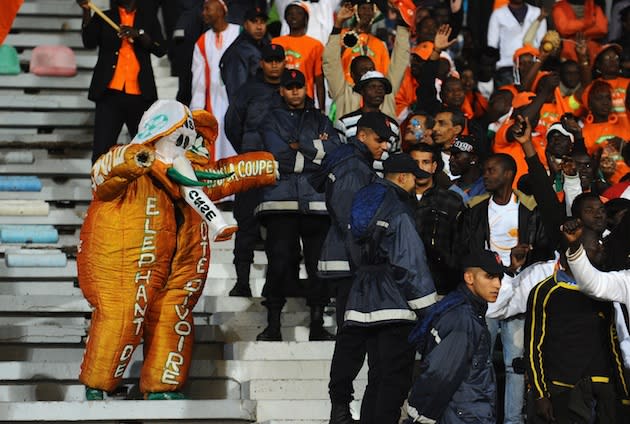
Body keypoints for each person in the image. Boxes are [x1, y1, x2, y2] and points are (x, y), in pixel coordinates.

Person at [311, 111, 397, 424]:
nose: (384, 146)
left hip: (352, 264)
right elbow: (353, 223)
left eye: (387, 141)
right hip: (351, 266)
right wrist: (365, 265)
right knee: (352, 340)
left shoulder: (353, 164)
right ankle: (340, 409)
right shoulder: (351, 168)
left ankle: (348, 408)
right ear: (361, 135)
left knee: (358, 339)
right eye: (379, 139)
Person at [458, 151, 556, 424]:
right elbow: (466, 249)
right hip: (485, 296)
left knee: (517, 365)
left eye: (491, 171)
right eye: (485, 170)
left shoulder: (528, 212)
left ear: (509, 174)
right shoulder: (475, 211)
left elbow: (544, 251)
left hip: (517, 292)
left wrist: (521, 264)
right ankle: (481, 417)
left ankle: (513, 420)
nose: (485, 176)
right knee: (480, 360)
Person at [344, 152, 436, 423]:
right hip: (395, 304)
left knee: (377, 376)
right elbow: (410, 262)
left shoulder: (364, 202)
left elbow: (352, 249)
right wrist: (429, 309)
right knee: (394, 381)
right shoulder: (398, 207)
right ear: (403, 177)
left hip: (363, 300)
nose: (415, 187)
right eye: (414, 181)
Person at [255, 69, 341, 342]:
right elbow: (278, 155)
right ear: (281, 90)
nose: (294, 91)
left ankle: (317, 324)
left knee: (318, 265)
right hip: (279, 203)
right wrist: (315, 149)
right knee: (279, 262)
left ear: (306, 89)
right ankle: (273, 325)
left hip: (316, 203)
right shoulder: (269, 119)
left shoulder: (321, 118)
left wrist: (299, 145)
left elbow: (334, 151)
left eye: (299, 86)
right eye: (289, 87)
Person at [526, 226, 628, 423]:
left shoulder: (605, 291)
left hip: (602, 389)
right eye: (593, 246)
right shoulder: (546, 291)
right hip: (563, 390)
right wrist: (540, 394)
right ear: (573, 252)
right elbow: (533, 347)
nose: (601, 249)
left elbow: (612, 343)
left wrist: (623, 393)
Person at [406, 249, 512, 424]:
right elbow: (440, 374)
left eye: (500, 277)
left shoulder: (470, 312)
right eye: (490, 277)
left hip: (468, 414)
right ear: (469, 278)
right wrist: (420, 417)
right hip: (463, 416)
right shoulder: (462, 319)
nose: (498, 284)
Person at [223, 43, 286, 297]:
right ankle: (242, 282)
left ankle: (278, 284)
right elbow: (232, 124)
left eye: (277, 60)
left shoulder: (292, 89)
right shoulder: (247, 90)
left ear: (284, 62)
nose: (273, 65)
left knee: (280, 230)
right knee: (246, 224)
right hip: (250, 167)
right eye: (269, 60)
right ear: (262, 62)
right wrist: (248, 151)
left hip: (281, 170)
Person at [77, 0, 167, 163]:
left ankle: (145, 188)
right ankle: (100, 187)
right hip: (109, 95)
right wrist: (86, 12)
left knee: (145, 151)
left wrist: (139, 34)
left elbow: (160, 49)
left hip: (140, 96)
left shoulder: (148, 18)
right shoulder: (105, 16)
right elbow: (88, 42)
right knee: (101, 152)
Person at [323, 1, 410, 119]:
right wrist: (338, 24)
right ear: (353, 74)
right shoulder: (344, 94)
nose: (368, 72)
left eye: (371, 68)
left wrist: (403, 22)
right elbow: (331, 62)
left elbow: (400, 61)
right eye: (363, 69)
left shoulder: (385, 95)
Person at [410, 142, 465, 296]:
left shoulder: (451, 201)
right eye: (415, 163)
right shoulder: (398, 199)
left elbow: (460, 243)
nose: (420, 168)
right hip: (406, 285)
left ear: (434, 167)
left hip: (442, 285)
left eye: (425, 162)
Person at [190, 0, 240, 162]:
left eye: (207, 9)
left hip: (237, 100)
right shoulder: (202, 41)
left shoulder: (239, 32)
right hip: (214, 102)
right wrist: (197, 111)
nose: (203, 13)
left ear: (221, 10)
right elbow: (198, 81)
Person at [272, 1, 326, 109]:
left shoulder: (316, 45)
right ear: (285, 18)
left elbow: (319, 81)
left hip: (306, 101)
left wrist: (321, 109)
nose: (294, 16)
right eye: (290, 13)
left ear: (306, 18)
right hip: (279, 100)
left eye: (298, 13)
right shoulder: (276, 42)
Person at [487, 0, 546, 87]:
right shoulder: (498, 14)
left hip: (532, 66)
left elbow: (542, 41)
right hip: (507, 66)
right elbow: (492, 45)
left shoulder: (537, 13)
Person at [219, 5, 269, 101]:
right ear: (245, 24)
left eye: (262, 22)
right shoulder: (238, 51)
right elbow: (237, 91)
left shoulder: (263, 44)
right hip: (247, 108)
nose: (259, 27)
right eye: (254, 22)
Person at [448, 135, 485, 203]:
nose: (450, 159)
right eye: (451, 155)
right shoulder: (451, 184)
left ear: (473, 158)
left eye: (457, 156)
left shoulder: (486, 186)